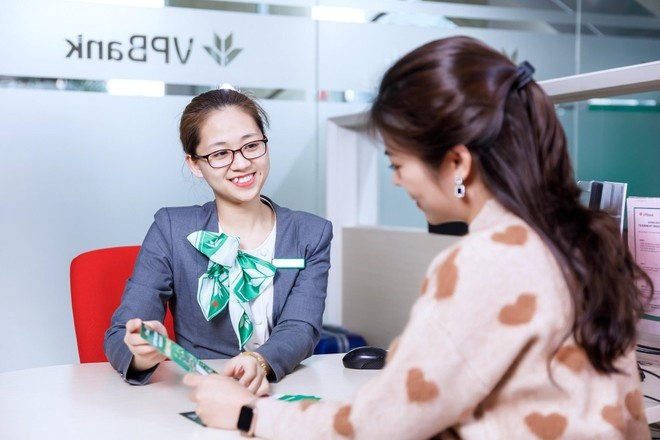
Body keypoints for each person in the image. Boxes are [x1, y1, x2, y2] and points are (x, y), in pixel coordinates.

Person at [182, 36, 654, 438]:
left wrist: (248, 414)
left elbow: (382, 425)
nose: (396, 181)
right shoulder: (577, 242)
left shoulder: (488, 260)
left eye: (398, 163)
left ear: (457, 163)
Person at [104, 87, 333, 393]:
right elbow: (120, 334)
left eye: (251, 145)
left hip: (280, 389)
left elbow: (301, 327)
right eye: (220, 153)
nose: (241, 163)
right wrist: (143, 353)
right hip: (201, 390)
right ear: (194, 164)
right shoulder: (171, 229)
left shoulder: (311, 233)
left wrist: (260, 361)